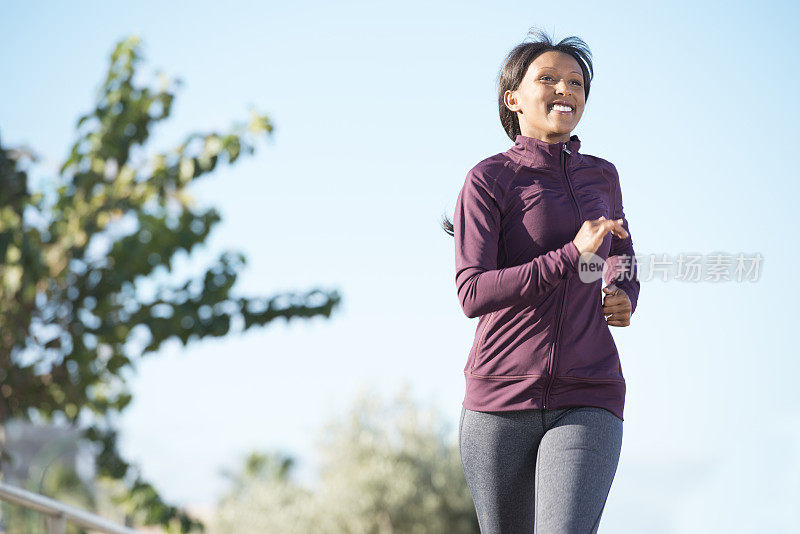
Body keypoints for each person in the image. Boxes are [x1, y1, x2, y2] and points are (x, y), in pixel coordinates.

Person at [441, 28, 640, 533]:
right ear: (514, 100)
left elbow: (621, 253)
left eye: (576, 82)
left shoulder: (603, 176)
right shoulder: (489, 179)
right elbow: (473, 293)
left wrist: (623, 292)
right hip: (500, 398)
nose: (565, 90)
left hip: (589, 391)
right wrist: (570, 255)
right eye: (548, 78)